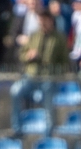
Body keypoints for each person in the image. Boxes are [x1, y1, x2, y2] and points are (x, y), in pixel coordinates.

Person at [10, 9, 68, 137]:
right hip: (31, 75)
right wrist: (28, 56)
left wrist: (55, 70)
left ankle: (48, 132)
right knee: (15, 91)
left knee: (47, 100)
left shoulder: (59, 38)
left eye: (44, 21)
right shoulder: (33, 35)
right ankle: (17, 129)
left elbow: (64, 62)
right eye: (40, 21)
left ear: (50, 21)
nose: (42, 23)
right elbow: (21, 54)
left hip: (48, 77)